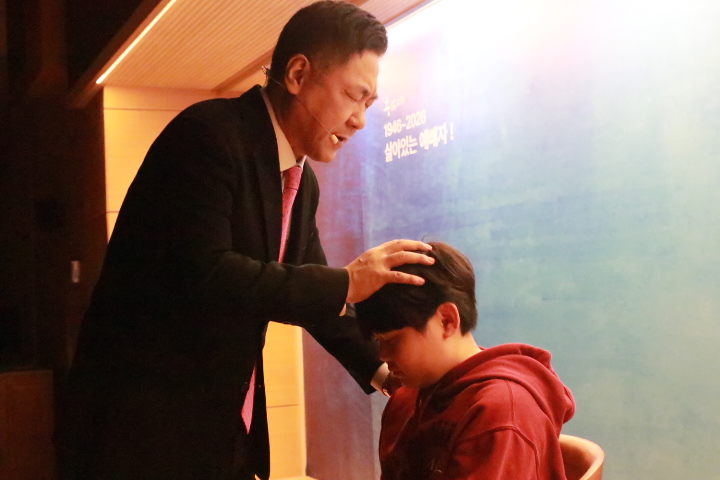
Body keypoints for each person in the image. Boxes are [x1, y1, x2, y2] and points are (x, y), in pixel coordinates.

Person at [57, 2, 432, 480]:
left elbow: (314, 297)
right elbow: (206, 274)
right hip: (142, 426)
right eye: (353, 96)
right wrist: (346, 282)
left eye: (369, 105)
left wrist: (389, 375)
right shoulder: (208, 135)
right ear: (298, 74)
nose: (359, 120)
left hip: (223, 428)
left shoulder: (301, 180)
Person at [356, 242, 576, 480]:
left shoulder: (500, 413)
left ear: (447, 320)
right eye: (378, 341)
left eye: (392, 340)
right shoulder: (407, 398)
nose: (382, 355)